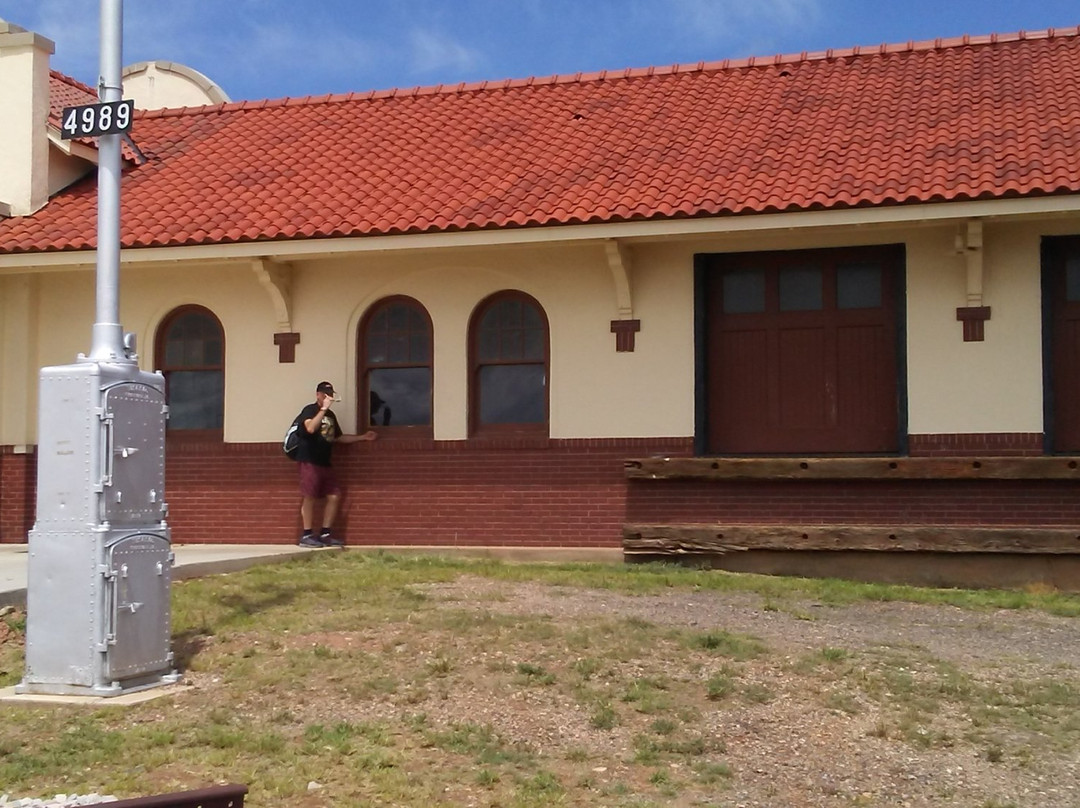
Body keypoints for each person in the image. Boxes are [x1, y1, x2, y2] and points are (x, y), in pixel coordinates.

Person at [295, 381, 376, 547]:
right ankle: (306, 535)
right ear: (317, 394)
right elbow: (309, 428)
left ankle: (325, 533)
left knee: (334, 495)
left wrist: (361, 437)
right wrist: (323, 409)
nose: (327, 397)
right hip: (310, 460)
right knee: (309, 496)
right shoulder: (309, 410)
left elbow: (338, 438)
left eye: (329, 394)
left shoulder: (331, 416)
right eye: (324, 394)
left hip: (325, 462)